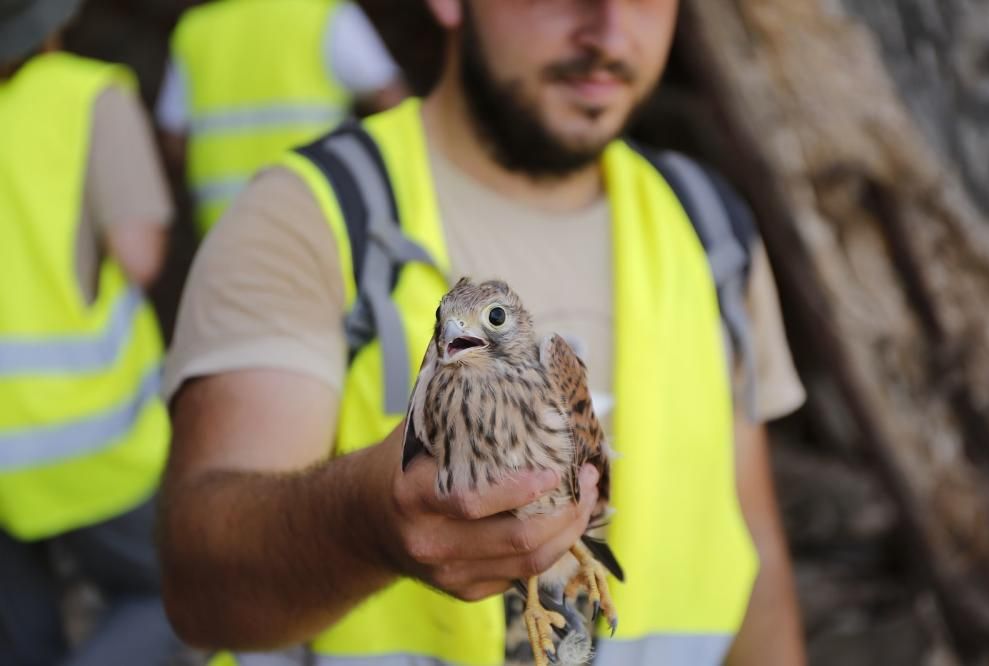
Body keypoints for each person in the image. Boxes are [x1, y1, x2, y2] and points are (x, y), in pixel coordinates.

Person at [159, 1, 808, 664]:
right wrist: (366, 524)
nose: (609, 31)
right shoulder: (309, 217)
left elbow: (748, 541)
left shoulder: (707, 229)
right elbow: (198, 590)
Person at [0, 0, 179, 664]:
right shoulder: (88, 95)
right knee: (169, 599)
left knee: (21, 640)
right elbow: (141, 255)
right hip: (85, 436)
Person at [157, 0, 407, 237]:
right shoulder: (326, 15)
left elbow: (175, 141)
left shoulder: (196, 31)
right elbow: (397, 110)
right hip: (318, 221)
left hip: (222, 229)